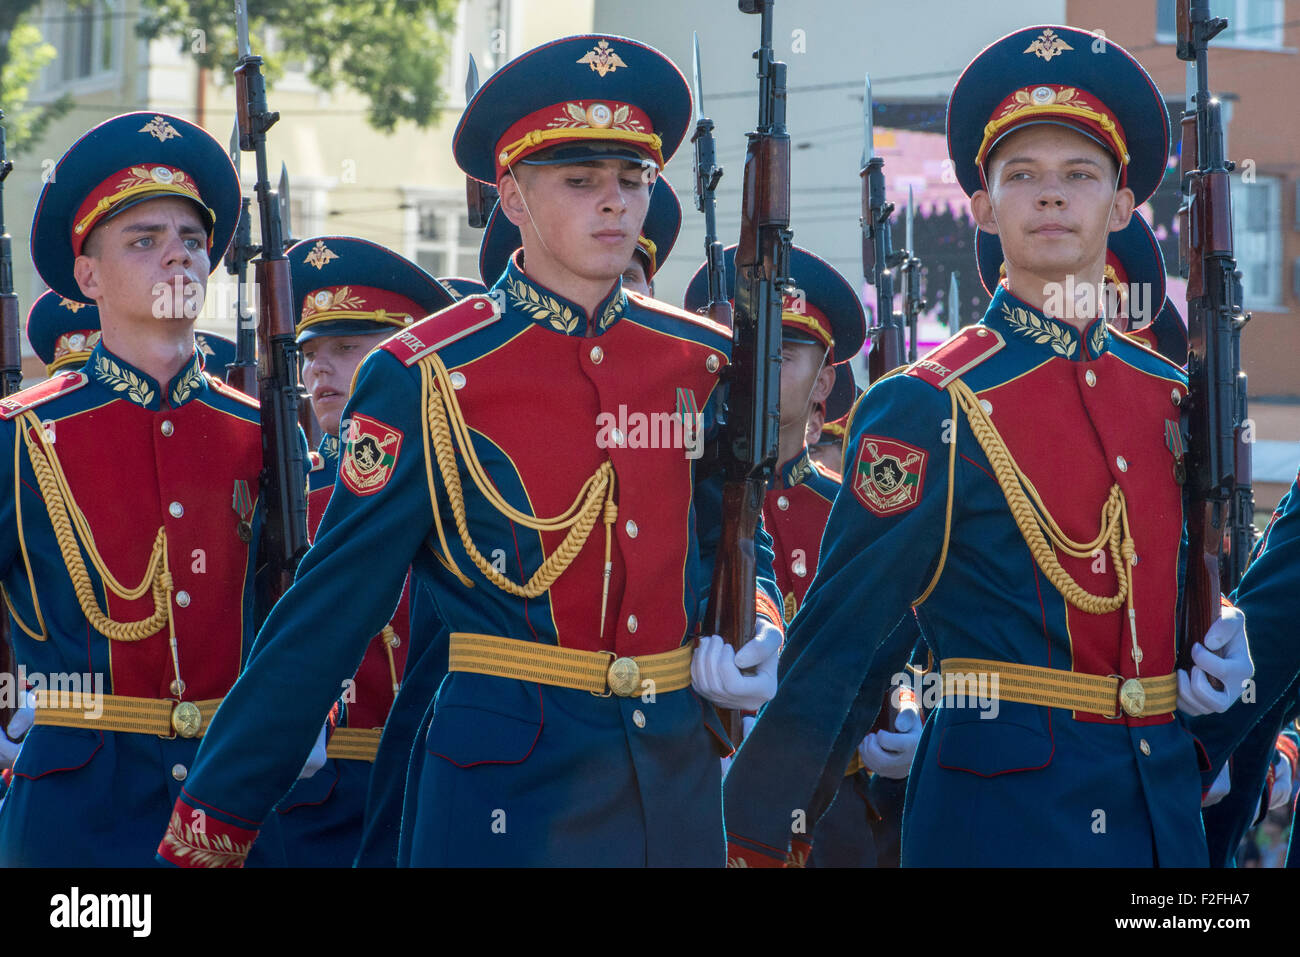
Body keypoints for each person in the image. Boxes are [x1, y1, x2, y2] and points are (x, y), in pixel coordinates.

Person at [158, 33, 784, 868]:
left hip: (669, 795)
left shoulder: (701, 360)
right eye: (581, 181)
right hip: (504, 799)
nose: (616, 205)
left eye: (633, 181)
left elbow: (732, 537)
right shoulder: (428, 374)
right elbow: (329, 611)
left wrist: (762, 619)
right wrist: (210, 826)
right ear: (514, 197)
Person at [722, 25, 1253, 867]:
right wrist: (758, 831)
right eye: (1023, 177)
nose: (1052, 197)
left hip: (1158, 828)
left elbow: (1182, 591)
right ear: (981, 207)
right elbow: (845, 645)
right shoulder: (927, 404)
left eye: (1080, 176)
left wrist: (1223, 638)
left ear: (1121, 208)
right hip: (998, 823)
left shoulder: (1170, 398)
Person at [0, 111, 292, 865]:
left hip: (226, 801)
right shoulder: (23, 433)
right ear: (88, 276)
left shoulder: (259, 433)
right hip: (76, 808)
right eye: (144, 240)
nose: (178, 258)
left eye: (191, 241)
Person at [273, 235, 454, 866]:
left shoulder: (460, 491)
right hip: (317, 800)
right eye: (311, 354)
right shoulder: (289, 501)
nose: (318, 370)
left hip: (440, 778)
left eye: (347, 349)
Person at [479, 174, 681, 296]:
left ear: (650, 291)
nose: (610, 290)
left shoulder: (690, 358)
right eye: (579, 180)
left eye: (627, 278)